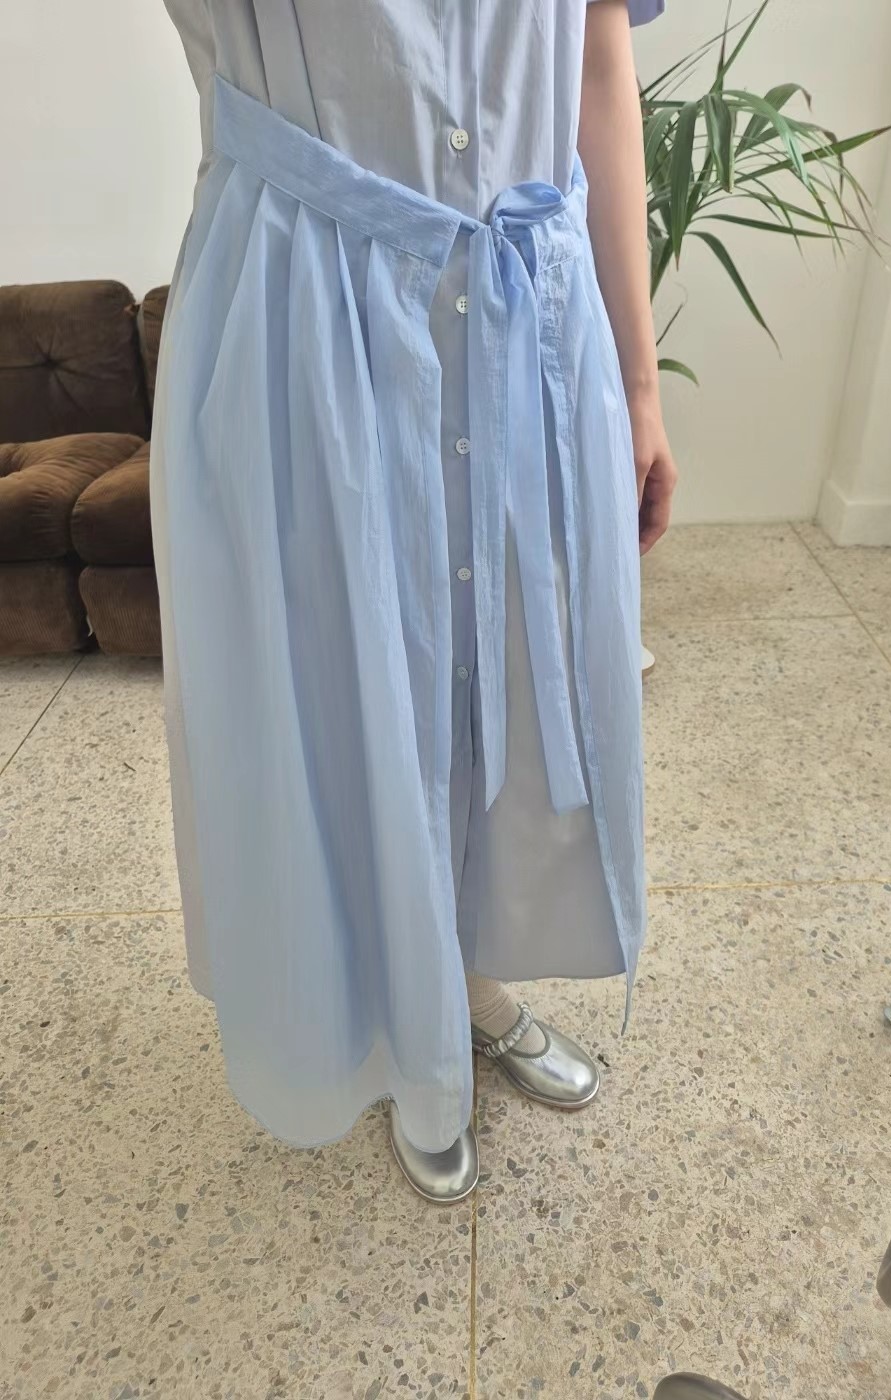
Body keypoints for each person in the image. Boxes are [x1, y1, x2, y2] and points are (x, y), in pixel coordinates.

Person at [152, 0, 677, 1203]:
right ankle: (403, 1039)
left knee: (503, 683)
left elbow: (600, 62)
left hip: (527, 315)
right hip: (307, 314)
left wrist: (641, 384)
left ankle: (471, 986)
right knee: (348, 690)